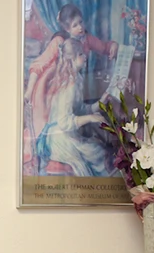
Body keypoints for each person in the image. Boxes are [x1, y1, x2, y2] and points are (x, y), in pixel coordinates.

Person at [23, 3, 118, 168]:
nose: (80, 27)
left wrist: (113, 46)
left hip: (75, 85)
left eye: (81, 22)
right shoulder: (59, 42)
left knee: (96, 140)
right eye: (75, 25)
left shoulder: (85, 38)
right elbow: (39, 64)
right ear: (66, 28)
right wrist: (29, 90)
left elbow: (103, 47)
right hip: (54, 89)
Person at [35, 37, 113, 177]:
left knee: (99, 151)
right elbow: (64, 122)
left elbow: (79, 110)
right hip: (59, 138)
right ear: (72, 59)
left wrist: (100, 102)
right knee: (97, 154)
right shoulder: (69, 85)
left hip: (67, 133)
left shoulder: (77, 78)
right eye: (81, 54)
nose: (85, 56)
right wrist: (90, 118)